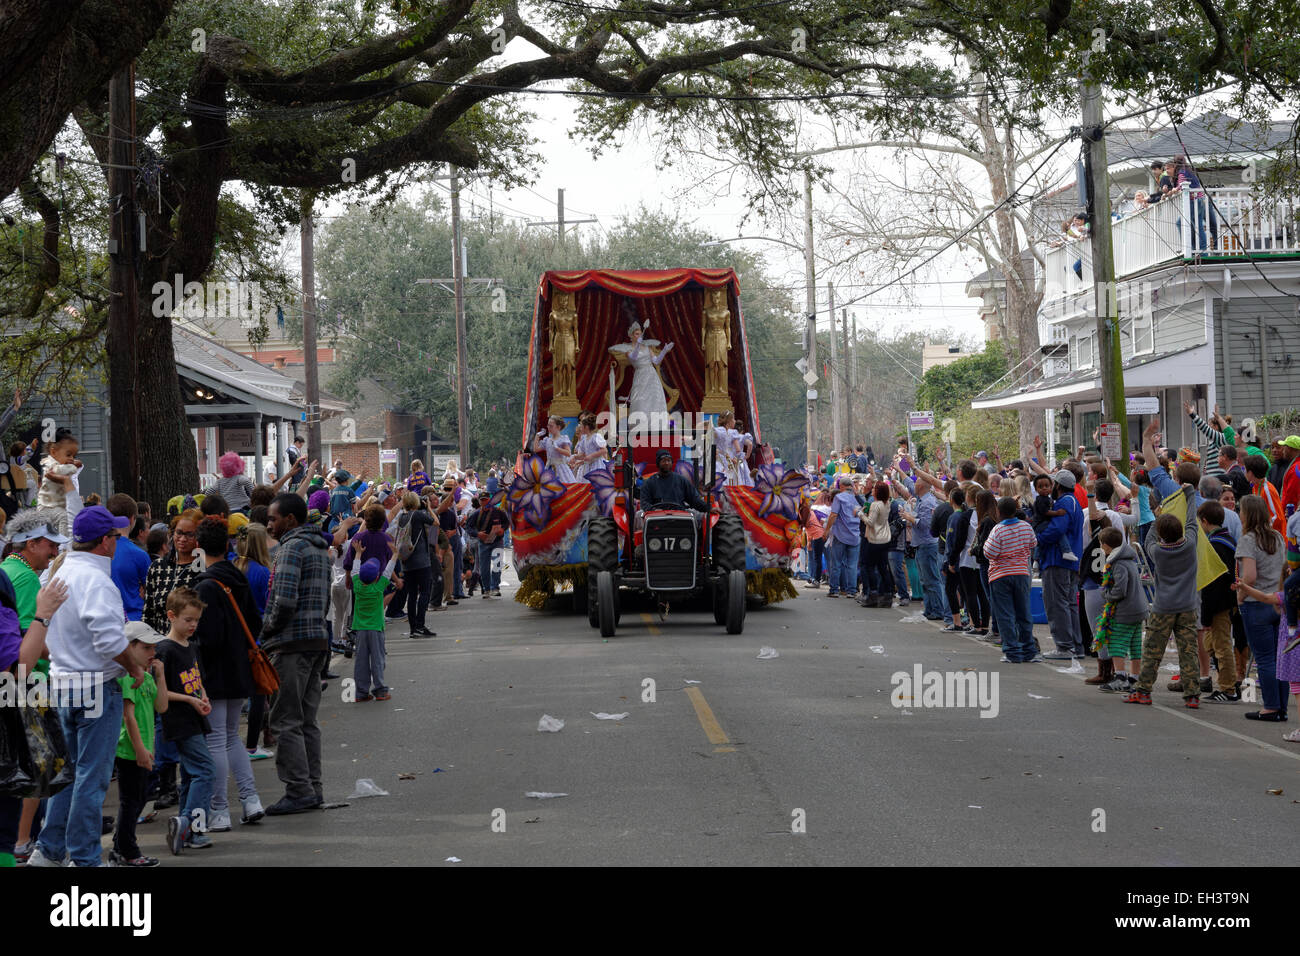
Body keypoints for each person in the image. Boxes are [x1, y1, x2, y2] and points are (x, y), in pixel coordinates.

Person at [27, 506, 146, 868]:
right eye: (115, 536)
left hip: (63, 682)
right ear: (105, 541)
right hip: (94, 685)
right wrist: (134, 668)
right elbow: (109, 642)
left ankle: (49, 850)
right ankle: (83, 857)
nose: (118, 542)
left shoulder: (58, 571)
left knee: (70, 775)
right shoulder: (95, 580)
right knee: (90, 780)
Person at [190, 516, 266, 832]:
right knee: (232, 737)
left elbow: (207, 638)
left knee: (216, 741)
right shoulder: (238, 576)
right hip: (240, 670)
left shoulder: (205, 586)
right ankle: (250, 801)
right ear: (228, 545)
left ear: (198, 546)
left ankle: (219, 809)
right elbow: (255, 622)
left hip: (215, 673)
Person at [261, 493, 331, 814]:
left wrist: (267, 632)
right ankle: (312, 786)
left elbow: (283, 602)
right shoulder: (318, 548)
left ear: (290, 520)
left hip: (290, 645)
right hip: (317, 641)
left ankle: (299, 789)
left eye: (273, 519)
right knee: (307, 721)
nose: (269, 525)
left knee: (286, 721)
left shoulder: (290, 548)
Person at [1127, 484, 1201, 708]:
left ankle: (1144, 691)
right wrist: (1189, 496)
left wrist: (1156, 514)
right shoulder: (1190, 545)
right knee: (1188, 651)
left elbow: (1150, 536)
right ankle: (1192, 695)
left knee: (1152, 650)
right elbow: (1191, 520)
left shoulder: (1157, 552)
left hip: (1162, 608)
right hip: (1187, 607)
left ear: (1161, 534)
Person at [155, 587, 215, 853]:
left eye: (197, 620)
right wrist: (190, 700)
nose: (193, 625)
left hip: (194, 718)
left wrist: (202, 697)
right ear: (171, 616)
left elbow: (196, 678)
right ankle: (189, 824)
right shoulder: (164, 649)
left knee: (192, 774)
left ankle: (187, 832)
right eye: (188, 620)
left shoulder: (191, 646)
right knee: (205, 769)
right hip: (179, 720)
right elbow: (161, 691)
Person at [111, 621, 169, 867]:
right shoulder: (126, 677)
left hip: (145, 749)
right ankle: (128, 850)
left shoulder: (145, 677)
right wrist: (140, 750)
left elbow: (162, 706)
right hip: (131, 750)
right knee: (131, 801)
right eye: (146, 648)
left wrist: (161, 676)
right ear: (129, 647)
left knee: (140, 798)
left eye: (153, 648)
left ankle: (119, 847)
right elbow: (128, 715)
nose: (152, 653)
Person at [1235, 494, 1288, 721]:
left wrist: (1239, 595)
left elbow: (1249, 576)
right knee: (1279, 658)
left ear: (1246, 515)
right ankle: (1281, 707)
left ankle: (1270, 707)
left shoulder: (1248, 540)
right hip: (1278, 602)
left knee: (1264, 658)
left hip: (1256, 604)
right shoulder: (1277, 537)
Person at [1035, 470, 1085, 659]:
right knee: (1069, 603)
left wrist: (1037, 539)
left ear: (1057, 485)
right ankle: (1074, 646)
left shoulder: (1065, 502)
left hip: (1057, 560)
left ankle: (1064, 646)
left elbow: (1057, 529)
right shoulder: (1073, 502)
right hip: (1068, 560)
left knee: (1057, 603)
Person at [983, 496, 1039, 662]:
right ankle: (1029, 650)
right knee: (1024, 613)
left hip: (1001, 576)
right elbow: (1033, 543)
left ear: (998, 512)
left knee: (1005, 614)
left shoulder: (998, 530)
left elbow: (989, 552)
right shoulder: (1026, 526)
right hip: (1021, 574)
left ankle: (1012, 652)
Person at [1093, 526, 1147, 694]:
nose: (1101, 548)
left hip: (1126, 611)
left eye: (1102, 544)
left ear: (1107, 545)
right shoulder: (1128, 559)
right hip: (1139, 609)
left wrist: (1106, 594)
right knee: (1134, 644)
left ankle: (1120, 677)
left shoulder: (1118, 564)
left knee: (1116, 642)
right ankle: (1135, 677)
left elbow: (1120, 589)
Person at [1197, 500, 1241, 702]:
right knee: (1212, 645)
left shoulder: (1214, 545)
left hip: (1219, 604)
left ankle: (1228, 688)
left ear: (1204, 521)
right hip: (1226, 601)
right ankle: (1227, 683)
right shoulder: (1228, 539)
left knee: (1222, 647)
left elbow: (1211, 583)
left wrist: (1205, 616)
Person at [144, 509, 205, 634]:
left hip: (190, 646)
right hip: (159, 644)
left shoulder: (202, 569)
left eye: (189, 535)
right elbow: (148, 612)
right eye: (179, 533)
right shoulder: (157, 567)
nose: (182, 539)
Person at [350, 552, 399, 702]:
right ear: (377, 577)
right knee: (377, 660)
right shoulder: (378, 588)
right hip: (376, 629)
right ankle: (380, 691)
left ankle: (361, 692)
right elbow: (388, 571)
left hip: (360, 630)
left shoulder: (357, 586)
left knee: (361, 661)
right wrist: (395, 554)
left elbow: (354, 571)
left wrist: (358, 553)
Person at [609, 318, 675, 423]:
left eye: (639, 334)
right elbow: (633, 358)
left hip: (651, 375)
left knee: (655, 400)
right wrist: (638, 346)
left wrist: (664, 351)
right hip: (640, 376)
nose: (639, 336)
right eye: (636, 334)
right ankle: (640, 426)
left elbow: (656, 361)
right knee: (640, 401)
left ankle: (656, 425)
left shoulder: (648, 348)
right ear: (631, 336)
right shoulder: (627, 349)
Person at [35, 427, 83, 538]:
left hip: (57, 507)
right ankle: (63, 544)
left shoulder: (63, 464)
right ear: (53, 452)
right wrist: (74, 465)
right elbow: (56, 471)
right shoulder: (50, 464)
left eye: (74, 456)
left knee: (69, 517)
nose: (71, 459)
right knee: (64, 517)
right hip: (46, 508)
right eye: (68, 455)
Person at [821, 475, 862, 599]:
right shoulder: (857, 498)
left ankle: (834, 590)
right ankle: (851, 591)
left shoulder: (838, 497)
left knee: (836, 563)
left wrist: (827, 530)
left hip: (841, 535)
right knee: (852, 565)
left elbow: (833, 515)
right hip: (855, 535)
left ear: (841, 486)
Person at [858, 482, 895, 608]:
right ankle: (888, 595)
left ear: (878, 492)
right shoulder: (887, 503)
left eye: (874, 489)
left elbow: (870, 522)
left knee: (869, 566)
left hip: (874, 539)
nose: (872, 490)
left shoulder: (875, 504)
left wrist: (861, 514)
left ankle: (873, 594)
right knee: (882, 567)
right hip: (885, 538)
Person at [469, 491, 508, 598]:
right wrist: (477, 534)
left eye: (486, 499)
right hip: (483, 543)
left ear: (489, 500)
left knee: (497, 565)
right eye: (482, 500)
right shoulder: (476, 514)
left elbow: (506, 522)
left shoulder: (498, 512)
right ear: (479, 502)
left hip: (497, 541)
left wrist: (503, 529)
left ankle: (495, 587)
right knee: (484, 567)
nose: (484, 502)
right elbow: (469, 527)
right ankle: (486, 589)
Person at [534, 417, 577, 483]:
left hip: (561, 469)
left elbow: (568, 453)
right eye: (548, 425)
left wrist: (557, 448)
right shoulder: (547, 440)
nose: (548, 427)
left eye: (551, 426)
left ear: (558, 427)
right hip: (549, 468)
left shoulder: (563, 439)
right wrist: (537, 436)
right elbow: (536, 449)